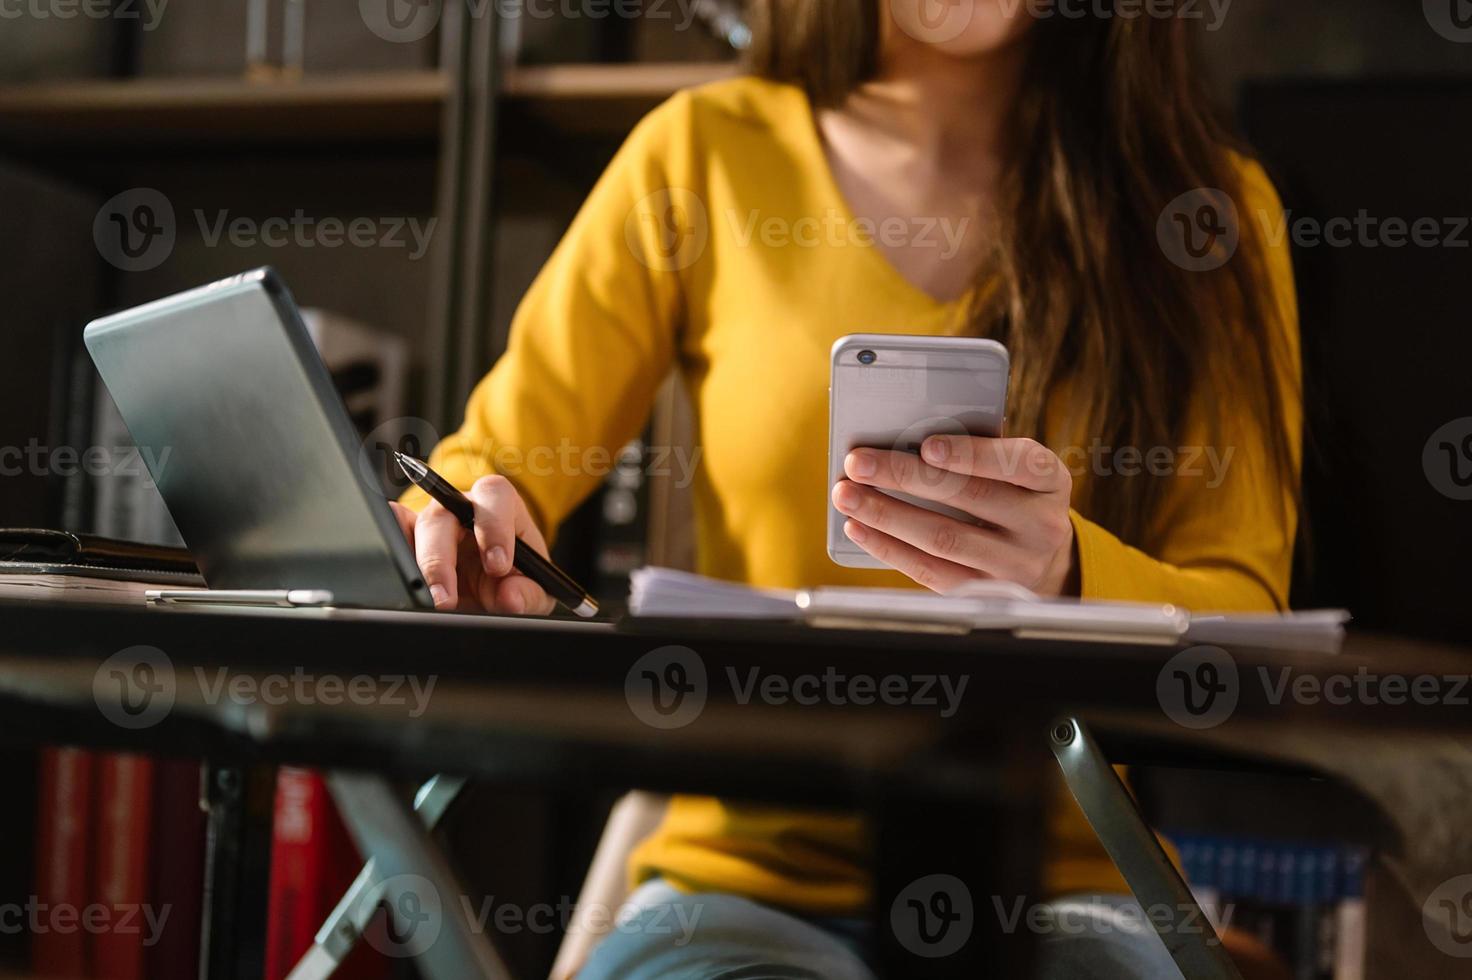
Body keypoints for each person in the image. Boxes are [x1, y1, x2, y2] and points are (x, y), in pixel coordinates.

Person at [395, 1, 1300, 976]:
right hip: (740, 881)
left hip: (1069, 886)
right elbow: (492, 461)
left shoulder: (1205, 210)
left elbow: (1247, 621)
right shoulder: (701, 153)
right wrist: (475, 517)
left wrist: (1070, 573)